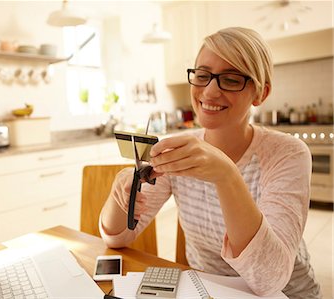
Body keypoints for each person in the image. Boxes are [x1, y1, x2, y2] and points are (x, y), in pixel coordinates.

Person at [98, 27, 321, 299]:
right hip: (206, 291)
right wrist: (118, 194)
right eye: (202, 76)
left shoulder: (287, 154)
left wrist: (226, 175)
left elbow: (268, 279)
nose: (210, 91)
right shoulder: (179, 150)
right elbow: (117, 238)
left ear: (260, 93)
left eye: (231, 79)